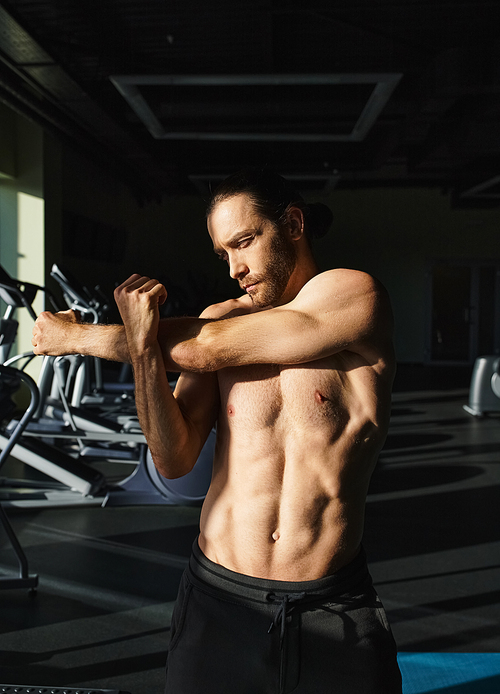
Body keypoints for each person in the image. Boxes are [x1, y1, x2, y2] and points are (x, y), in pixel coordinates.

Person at [32, 167, 402, 694]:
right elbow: (173, 459)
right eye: (223, 253)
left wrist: (75, 336)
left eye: (244, 243)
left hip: (332, 603)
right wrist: (140, 352)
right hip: (218, 600)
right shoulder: (218, 317)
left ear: (293, 223)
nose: (235, 268)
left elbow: (202, 348)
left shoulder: (355, 296)